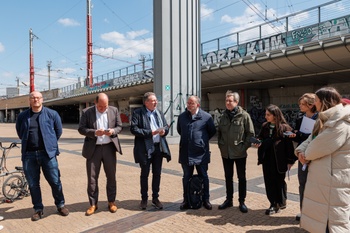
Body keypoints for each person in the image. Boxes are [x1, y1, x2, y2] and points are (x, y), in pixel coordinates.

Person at [295, 87, 350, 233]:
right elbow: (310, 139)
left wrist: (305, 154)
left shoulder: (340, 124)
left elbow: (315, 149)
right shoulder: (325, 119)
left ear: (324, 102)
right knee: (321, 218)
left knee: (332, 223)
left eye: (317, 101)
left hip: (332, 182)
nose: (315, 104)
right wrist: (300, 150)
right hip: (324, 181)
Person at [15, 91, 69, 221]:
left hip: (48, 154)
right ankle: (38, 209)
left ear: (42, 99)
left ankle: (60, 204)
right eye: (33, 98)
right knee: (33, 184)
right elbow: (20, 132)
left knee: (55, 181)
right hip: (29, 155)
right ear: (29, 100)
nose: (35, 100)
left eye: (38, 97)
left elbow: (58, 131)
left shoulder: (52, 114)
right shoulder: (22, 116)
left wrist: (50, 144)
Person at [78, 93, 123, 216]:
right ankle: (93, 204)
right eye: (100, 107)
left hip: (109, 148)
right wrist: (94, 132)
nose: (103, 109)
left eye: (105, 106)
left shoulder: (114, 110)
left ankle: (111, 202)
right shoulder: (87, 112)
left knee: (111, 176)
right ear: (95, 103)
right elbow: (81, 129)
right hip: (93, 149)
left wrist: (113, 131)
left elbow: (120, 126)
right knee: (92, 178)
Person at [252, 104, 296, 215]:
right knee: (269, 181)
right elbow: (260, 138)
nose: (266, 117)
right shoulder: (265, 126)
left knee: (279, 181)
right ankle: (273, 203)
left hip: (279, 160)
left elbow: (289, 146)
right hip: (267, 158)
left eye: (268, 115)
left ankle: (280, 202)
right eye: (265, 114)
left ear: (275, 116)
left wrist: (290, 160)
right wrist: (258, 142)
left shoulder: (285, 128)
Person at [130, 92, 171, 210]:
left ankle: (155, 198)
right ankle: (144, 199)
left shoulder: (159, 113)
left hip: (158, 148)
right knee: (145, 174)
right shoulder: (138, 113)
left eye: (156, 100)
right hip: (145, 148)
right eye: (153, 100)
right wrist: (150, 133)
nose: (155, 102)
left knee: (157, 173)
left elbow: (166, 127)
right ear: (146, 102)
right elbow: (134, 129)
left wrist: (164, 131)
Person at [217, 91, 255, 213]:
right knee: (228, 177)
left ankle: (242, 201)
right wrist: (221, 146)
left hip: (240, 153)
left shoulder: (244, 116)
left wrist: (243, 148)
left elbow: (250, 134)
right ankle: (229, 200)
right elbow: (219, 134)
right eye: (226, 100)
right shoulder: (223, 116)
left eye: (230, 101)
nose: (228, 103)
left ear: (236, 102)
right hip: (226, 153)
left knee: (241, 178)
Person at [177, 95, 216, 210]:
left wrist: (201, 141)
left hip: (201, 153)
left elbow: (211, 131)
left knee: (204, 176)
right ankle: (186, 200)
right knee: (186, 177)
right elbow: (180, 131)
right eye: (188, 103)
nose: (189, 105)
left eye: (191, 103)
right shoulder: (182, 117)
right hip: (186, 153)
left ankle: (206, 199)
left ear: (198, 105)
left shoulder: (206, 117)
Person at [291, 93, 318, 221]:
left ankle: (314, 212)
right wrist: (294, 135)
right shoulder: (300, 118)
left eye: (303, 104)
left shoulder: (320, 118)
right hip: (303, 154)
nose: (300, 106)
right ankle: (303, 210)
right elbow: (299, 136)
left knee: (315, 184)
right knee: (302, 183)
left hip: (316, 155)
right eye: (300, 104)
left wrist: (301, 135)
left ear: (311, 105)